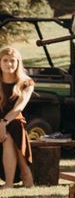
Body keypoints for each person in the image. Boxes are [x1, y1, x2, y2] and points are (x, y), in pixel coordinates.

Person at [0, 45, 34, 188]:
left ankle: (9, 184)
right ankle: (26, 177)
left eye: (13, 60)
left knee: (10, 135)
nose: (9, 64)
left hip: (13, 120)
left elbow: (19, 107)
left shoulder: (26, 83)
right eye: (5, 60)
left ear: (18, 62)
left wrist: (3, 123)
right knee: (9, 137)